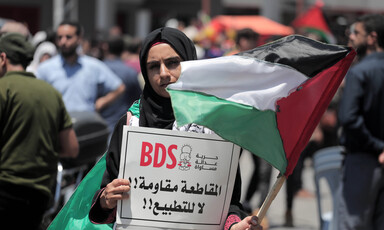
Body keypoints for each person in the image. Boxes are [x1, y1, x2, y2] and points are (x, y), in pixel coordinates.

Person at [88, 27, 262, 230]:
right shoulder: (130, 123)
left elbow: (228, 201)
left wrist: (234, 226)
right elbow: (106, 197)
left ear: (190, 64)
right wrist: (106, 199)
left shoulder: (214, 126)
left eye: (172, 63)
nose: (163, 74)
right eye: (154, 66)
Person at [0, 33, 79, 229]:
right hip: (40, 193)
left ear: (2, 58)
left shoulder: (3, 88)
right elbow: (71, 148)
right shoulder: (51, 93)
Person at [337, 14, 384, 230]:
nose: (351, 38)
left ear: (372, 37)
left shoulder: (359, 72)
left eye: (356, 33)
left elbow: (349, 118)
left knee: (353, 224)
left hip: (362, 162)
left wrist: (377, 146)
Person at [36, 20, 125, 113]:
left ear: (79, 39)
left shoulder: (93, 66)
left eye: (68, 37)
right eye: (59, 37)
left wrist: (102, 102)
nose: (63, 41)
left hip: (86, 124)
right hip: (58, 124)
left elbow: (119, 87)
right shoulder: (45, 68)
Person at [101, 35, 142, 134]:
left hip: (98, 125)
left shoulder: (98, 69)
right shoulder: (130, 72)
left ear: (105, 47)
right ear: (123, 49)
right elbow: (138, 99)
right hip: (122, 125)